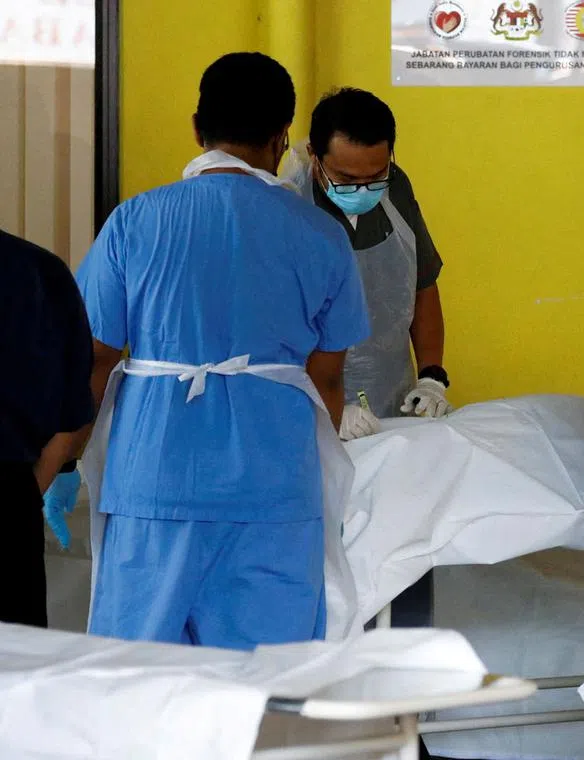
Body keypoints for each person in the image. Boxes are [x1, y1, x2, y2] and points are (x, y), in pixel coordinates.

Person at [74, 52, 370, 649]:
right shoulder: (321, 234)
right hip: (275, 490)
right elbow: (328, 381)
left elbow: (95, 363)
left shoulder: (134, 221)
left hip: (152, 481)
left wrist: (63, 463)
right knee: (264, 679)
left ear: (196, 128)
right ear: (282, 137)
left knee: (138, 678)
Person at [285, 87, 450, 440]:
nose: (363, 190)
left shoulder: (397, 189)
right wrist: (326, 408)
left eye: (375, 177)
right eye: (347, 179)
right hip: (310, 408)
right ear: (314, 156)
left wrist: (431, 377)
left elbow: (422, 285)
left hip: (395, 395)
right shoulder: (287, 207)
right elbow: (270, 330)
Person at [0, 231, 94, 628]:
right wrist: (26, 490)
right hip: (9, 499)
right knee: (14, 658)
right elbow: (75, 410)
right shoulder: (40, 270)